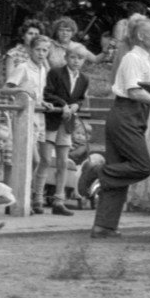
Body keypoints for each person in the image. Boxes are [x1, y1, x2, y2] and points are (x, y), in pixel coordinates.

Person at [79, 15, 150, 238]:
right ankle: (98, 171)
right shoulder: (132, 58)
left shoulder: (146, 59)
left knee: (120, 175)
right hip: (126, 115)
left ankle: (104, 226)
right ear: (140, 36)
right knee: (142, 166)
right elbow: (135, 91)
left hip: (133, 116)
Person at [1, 34, 54, 214]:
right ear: (31, 50)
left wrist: (43, 102)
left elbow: (38, 94)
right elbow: (5, 89)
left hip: (38, 117)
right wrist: (21, 89)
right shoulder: (23, 67)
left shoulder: (43, 70)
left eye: (45, 50)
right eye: (38, 49)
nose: (41, 53)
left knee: (36, 160)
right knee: (33, 159)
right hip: (23, 117)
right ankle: (18, 198)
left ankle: (23, 198)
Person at [43, 42, 90, 217]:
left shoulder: (84, 79)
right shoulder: (55, 73)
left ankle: (59, 200)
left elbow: (79, 99)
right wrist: (63, 105)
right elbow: (48, 93)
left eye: (80, 58)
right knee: (46, 159)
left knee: (63, 161)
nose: (76, 61)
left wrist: (76, 106)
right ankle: (38, 198)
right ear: (66, 57)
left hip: (67, 122)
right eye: (73, 57)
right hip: (53, 120)